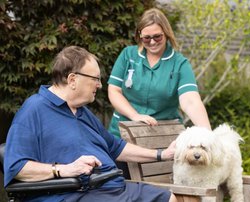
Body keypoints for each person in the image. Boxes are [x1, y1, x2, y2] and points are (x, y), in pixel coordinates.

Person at [4, 46, 177, 202]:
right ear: (72, 80)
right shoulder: (34, 110)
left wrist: (162, 154)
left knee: (170, 198)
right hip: (74, 194)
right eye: (95, 78)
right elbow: (17, 167)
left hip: (112, 189)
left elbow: (115, 147)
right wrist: (63, 170)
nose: (100, 85)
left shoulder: (82, 111)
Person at [107, 8, 211, 178]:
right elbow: (114, 90)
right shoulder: (128, 55)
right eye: (146, 38)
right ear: (139, 36)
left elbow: (190, 100)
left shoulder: (179, 63)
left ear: (166, 33)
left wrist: (207, 135)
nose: (152, 42)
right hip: (123, 138)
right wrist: (135, 115)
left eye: (157, 36)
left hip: (163, 141)